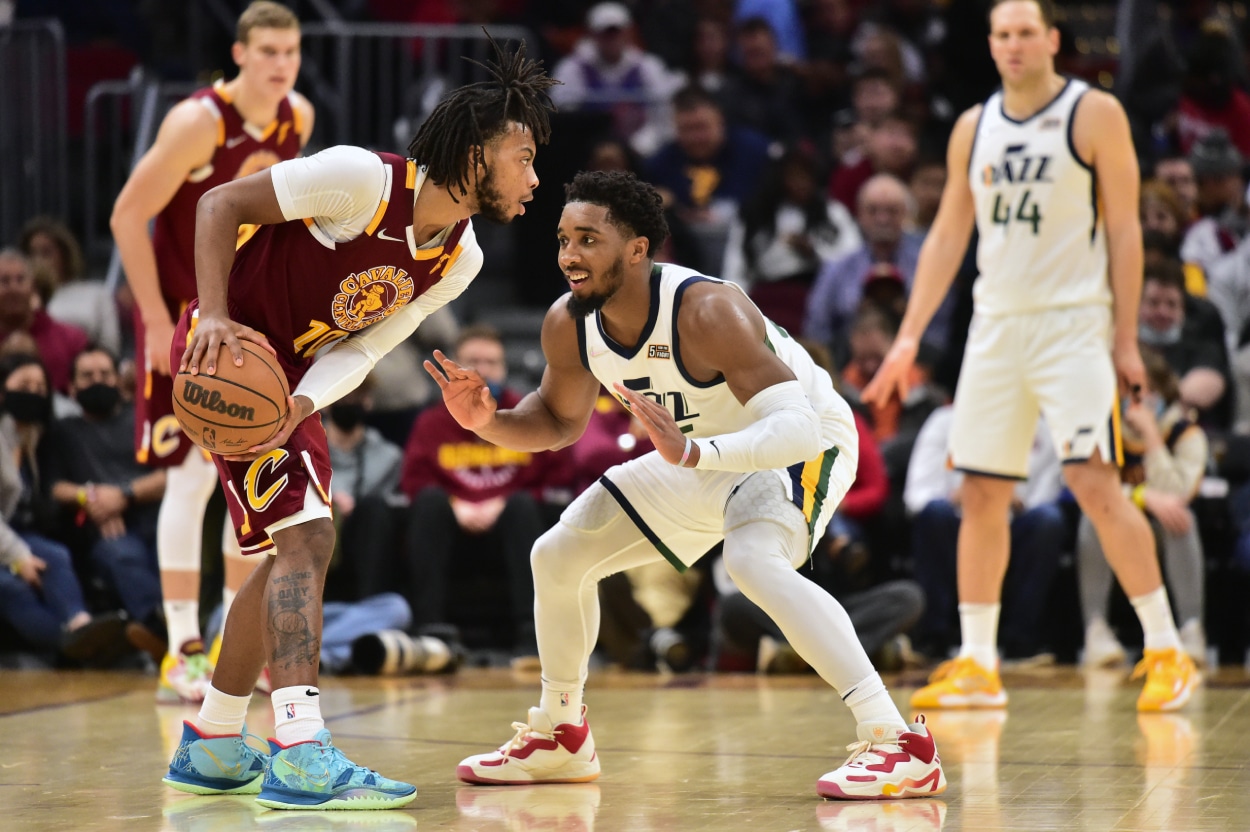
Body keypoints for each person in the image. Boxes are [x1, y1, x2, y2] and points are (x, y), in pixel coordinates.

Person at [431, 170, 945, 799]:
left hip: (798, 443)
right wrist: (488, 421)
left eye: (589, 240)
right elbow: (559, 421)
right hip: (698, 454)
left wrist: (696, 451)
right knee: (558, 555)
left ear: (638, 249)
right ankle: (561, 733)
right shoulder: (569, 321)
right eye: (564, 239)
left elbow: (800, 432)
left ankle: (900, 743)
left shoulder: (708, 310)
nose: (569, 255)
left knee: (755, 563)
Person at [160, 35, 557, 811]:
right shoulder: (360, 181)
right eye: (523, 157)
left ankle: (211, 741)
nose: (534, 178)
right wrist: (211, 318)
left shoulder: (460, 259)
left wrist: (301, 406)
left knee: (292, 550)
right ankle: (301, 748)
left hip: (287, 383)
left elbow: (368, 344)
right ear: (476, 153)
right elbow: (219, 204)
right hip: (228, 354)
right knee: (308, 539)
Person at [863, 0, 1197, 712]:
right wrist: (908, 335)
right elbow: (950, 236)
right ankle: (979, 662)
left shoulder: (1093, 112)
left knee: (1093, 481)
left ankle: (1168, 648)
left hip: (1074, 324)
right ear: (990, 44)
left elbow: (1128, 231)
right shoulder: (970, 127)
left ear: (1051, 39)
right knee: (981, 493)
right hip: (995, 326)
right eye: (1002, 34)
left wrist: (1127, 337)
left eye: (1025, 33)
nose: (1014, 45)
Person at [109, 1, 314, 703]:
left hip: (242, 318)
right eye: (268, 52)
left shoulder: (300, 118)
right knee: (191, 481)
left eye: (291, 50)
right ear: (240, 54)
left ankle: (237, 648)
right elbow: (126, 215)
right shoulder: (200, 122)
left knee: (247, 478)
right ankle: (181, 648)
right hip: (182, 317)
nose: (281, 64)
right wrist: (154, 320)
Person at [399, 324, 566, 659]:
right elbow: (414, 482)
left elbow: (555, 477)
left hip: (513, 528)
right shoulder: (431, 423)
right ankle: (430, 630)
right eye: (472, 361)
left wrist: (501, 503)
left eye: (491, 362)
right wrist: (455, 504)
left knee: (522, 507)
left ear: (504, 369)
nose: (482, 371)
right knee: (430, 503)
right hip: (452, 528)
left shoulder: (527, 413)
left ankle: (531, 633)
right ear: (452, 369)